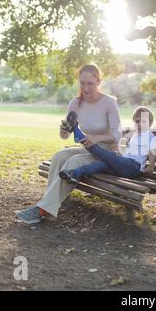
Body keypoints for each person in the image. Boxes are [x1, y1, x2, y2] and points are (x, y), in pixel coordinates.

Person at [15, 64, 122, 224]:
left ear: (98, 82)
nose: (85, 88)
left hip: (106, 154)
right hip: (87, 150)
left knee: (74, 162)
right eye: (82, 83)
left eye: (90, 83)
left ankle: (42, 210)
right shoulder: (75, 103)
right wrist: (64, 131)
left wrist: (96, 138)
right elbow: (65, 135)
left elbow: (116, 135)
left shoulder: (109, 103)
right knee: (59, 156)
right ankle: (48, 208)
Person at [59, 106, 156, 184]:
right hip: (123, 167)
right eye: (137, 121)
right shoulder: (135, 135)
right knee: (102, 164)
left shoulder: (149, 136)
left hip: (133, 167)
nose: (140, 124)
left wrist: (151, 166)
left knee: (106, 155)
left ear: (150, 123)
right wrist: (119, 155)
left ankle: (78, 134)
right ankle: (74, 173)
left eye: (143, 121)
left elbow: (152, 152)